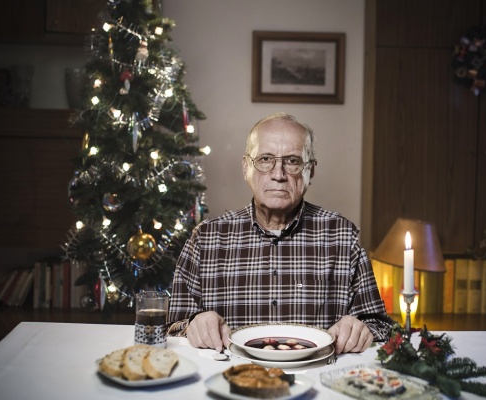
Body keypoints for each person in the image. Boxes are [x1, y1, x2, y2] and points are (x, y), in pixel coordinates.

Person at [167, 112, 393, 354]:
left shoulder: (343, 237)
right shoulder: (205, 238)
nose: (278, 174)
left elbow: (379, 325)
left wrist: (361, 329)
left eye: (293, 161)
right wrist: (193, 325)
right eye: (265, 159)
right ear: (246, 167)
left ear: (311, 171)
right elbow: (172, 327)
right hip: (230, 381)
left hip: (318, 381)